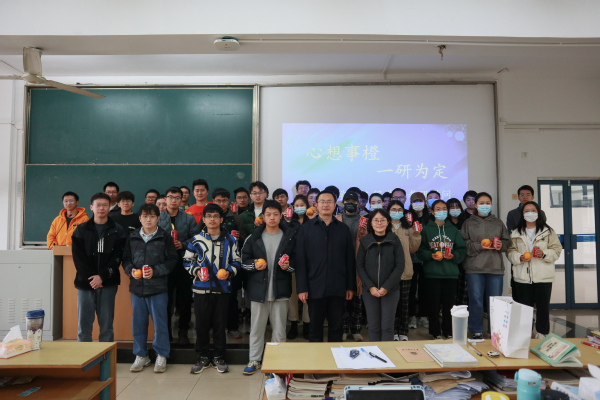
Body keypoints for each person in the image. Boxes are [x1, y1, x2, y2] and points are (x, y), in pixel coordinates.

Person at [241, 200, 296, 375]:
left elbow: (298, 261)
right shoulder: (254, 237)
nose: (272, 218)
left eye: (276, 214)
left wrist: (289, 266)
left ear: (281, 216)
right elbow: (243, 260)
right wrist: (254, 265)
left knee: (279, 330)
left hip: (281, 290)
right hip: (258, 291)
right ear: (263, 217)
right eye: (268, 214)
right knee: (257, 328)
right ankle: (254, 359)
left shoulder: (289, 237)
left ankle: (276, 362)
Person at [185, 204, 240, 374]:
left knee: (219, 325)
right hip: (200, 290)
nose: (212, 219)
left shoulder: (231, 240)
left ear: (221, 219)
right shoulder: (195, 240)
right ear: (203, 219)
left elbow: (237, 261)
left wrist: (229, 272)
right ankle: (202, 356)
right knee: (201, 325)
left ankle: (218, 356)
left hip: (222, 290)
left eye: (216, 216)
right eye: (209, 216)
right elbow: (187, 261)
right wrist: (196, 271)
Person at [122, 203, 178, 373]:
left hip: (158, 287)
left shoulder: (165, 237)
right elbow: (125, 259)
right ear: (140, 218)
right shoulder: (132, 237)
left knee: (160, 323)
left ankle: (161, 354)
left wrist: (155, 271)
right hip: (137, 288)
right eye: (145, 216)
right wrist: (130, 270)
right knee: (138, 324)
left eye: (152, 216)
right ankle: (141, 355)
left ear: (157, 218)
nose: (148, 220)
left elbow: (172, 260)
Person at [295, 190, 356, 342]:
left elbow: (349, 260)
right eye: (322, 201)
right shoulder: (306, 229)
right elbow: (300, 261)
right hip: (314, 286)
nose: (326, 205)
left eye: (329, 202)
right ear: (316, 205)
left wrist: (350, 286)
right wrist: (302, 287)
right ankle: (316, 358)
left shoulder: (343, 229)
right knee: (314, 330)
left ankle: (335, 357)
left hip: (338, 287)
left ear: (335, 205)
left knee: (336, 329)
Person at [71, 193, 127, 342]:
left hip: (108, 283)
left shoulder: (118, 230)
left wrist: (102, 277)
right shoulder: (81, 229)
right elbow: (78, 258)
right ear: (91, 207)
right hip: (85, 283)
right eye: (98, 205)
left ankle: (106, 356)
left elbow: (117, 257)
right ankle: (84, 356)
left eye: (105, 205)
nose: (101, 208)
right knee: (84, 326)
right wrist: (93, 279)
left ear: (110, 207)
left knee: (107, 326)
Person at [507, 201, 562, 339]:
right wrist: (519, 257)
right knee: (524, 308)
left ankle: (542, 332)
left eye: (533, 210)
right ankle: (525, 332)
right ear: (522, 214)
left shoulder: (548, 231)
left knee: (543, 307)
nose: (530, 213)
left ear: (538, 213)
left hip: (543, 276)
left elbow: (556, 250)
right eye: (526, 211)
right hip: (522, 277)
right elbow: (510, 251)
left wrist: (543, 254)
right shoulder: (515, 232)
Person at [461, 192, 510, 340]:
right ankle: (476, 329)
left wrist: (502, 245)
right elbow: (463, 244)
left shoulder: (498, 222)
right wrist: (479, 245)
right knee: (475, 300)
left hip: (495, 267)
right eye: (481, 203)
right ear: (475, 205)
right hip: (474, 267)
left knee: (495, 302)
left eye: (487, 203)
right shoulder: (468, 223)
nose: (485, 206)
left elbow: (507, 242)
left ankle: (495, 330)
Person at [417, 200, 467, 339]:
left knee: (449, 306)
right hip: (432, 273)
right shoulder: (426, 230)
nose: (442, 212)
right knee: (433, 305)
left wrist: (454, 256)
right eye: (438, 209)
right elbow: (420, 251)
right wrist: (430, 255)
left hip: (451, 273)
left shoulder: (453, 230)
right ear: (432, 212)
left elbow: (462, 249)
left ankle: (448, 331)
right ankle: (435, 332)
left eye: (444, 209)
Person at [202, 187, 246, 339]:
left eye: (224, 200)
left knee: (232, 297)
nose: (221, 203)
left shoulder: (236, 218)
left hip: (230, 265)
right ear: (213, 201)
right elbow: (198, 236)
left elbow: (245, 238)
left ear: (229, 201)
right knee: (211, 299)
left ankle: (232, 327)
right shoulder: (208, 217)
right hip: (211, 266)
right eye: (218, 201)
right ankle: (211, 328)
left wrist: (239, 237)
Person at [158, 187, 200, 345]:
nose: (174, 200)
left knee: (185, 300)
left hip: (184, 264)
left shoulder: (189, 219)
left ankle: (183, 331)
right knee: (165, 300)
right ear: (165, 199)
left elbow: (196, 239)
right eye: (170, 197)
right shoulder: (158, 218)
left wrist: (182, 244)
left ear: (182, 199)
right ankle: (166, 332)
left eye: (177, 197)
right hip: (165, 265)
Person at [356, 209, 405, 341]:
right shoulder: (365, 241)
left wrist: (386, 287)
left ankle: (386, 352)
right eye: (376, 220)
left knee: (387, 327)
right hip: (369, 291)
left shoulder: (394, 240)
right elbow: (360, 266)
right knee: (373, 327)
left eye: (382, 220)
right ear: (371, 223)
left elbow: (400, 265)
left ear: (388, 222)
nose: (379, 223)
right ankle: (374, 352)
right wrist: (371, 287)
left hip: (391, 290)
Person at [387, 200, 421, 341]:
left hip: (405, 270)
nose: (396, 212)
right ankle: (393, 331)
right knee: (391, 304)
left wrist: (416, 234)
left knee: (404, 304)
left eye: (399, 210)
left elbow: (413, 249)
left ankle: (403, 332)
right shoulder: (385, 226)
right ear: (388, 211)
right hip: (388, 272)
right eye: (393, 209)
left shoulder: (408, 228)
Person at [335, 191, 364, 342]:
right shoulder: (336, 219)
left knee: (357, 299)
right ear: (343, 203)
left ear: (358, 203)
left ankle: (356, 329)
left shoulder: (364, 220)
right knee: (342, 300)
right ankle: (344, 329)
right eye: (347, 201)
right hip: (341, 263)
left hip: (359, 263)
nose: (350, 204)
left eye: (353, 201)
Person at [286, 195, 311, 340]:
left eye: (302, 205)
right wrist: (287, 223)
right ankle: (294, 323)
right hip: (293, 262)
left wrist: (313, 219)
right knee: (293, 295)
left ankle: (307, 324)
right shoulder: (289, 222)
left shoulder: (313, 221)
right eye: (297, 205)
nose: (300, 207)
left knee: (309, 295)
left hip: (310, 264)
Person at [407, 191, 430, 330]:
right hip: (411, 258)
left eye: (420, 201)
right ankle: (412, 316)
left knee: (425, 289)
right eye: (415, 201)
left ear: (425, 202)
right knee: (411, 290)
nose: (418, 204)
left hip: (426, 259)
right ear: (411, 203)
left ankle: (423, 315)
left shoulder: (430, 218)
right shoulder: (407, 218)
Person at [447, 198, 468, 305]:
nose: (455, 209)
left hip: (463, 258)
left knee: (462, 286)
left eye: (457, 207)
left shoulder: (466, 223)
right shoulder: (445, 224)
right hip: (448, 259)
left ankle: (461, 307)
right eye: (452, 207)